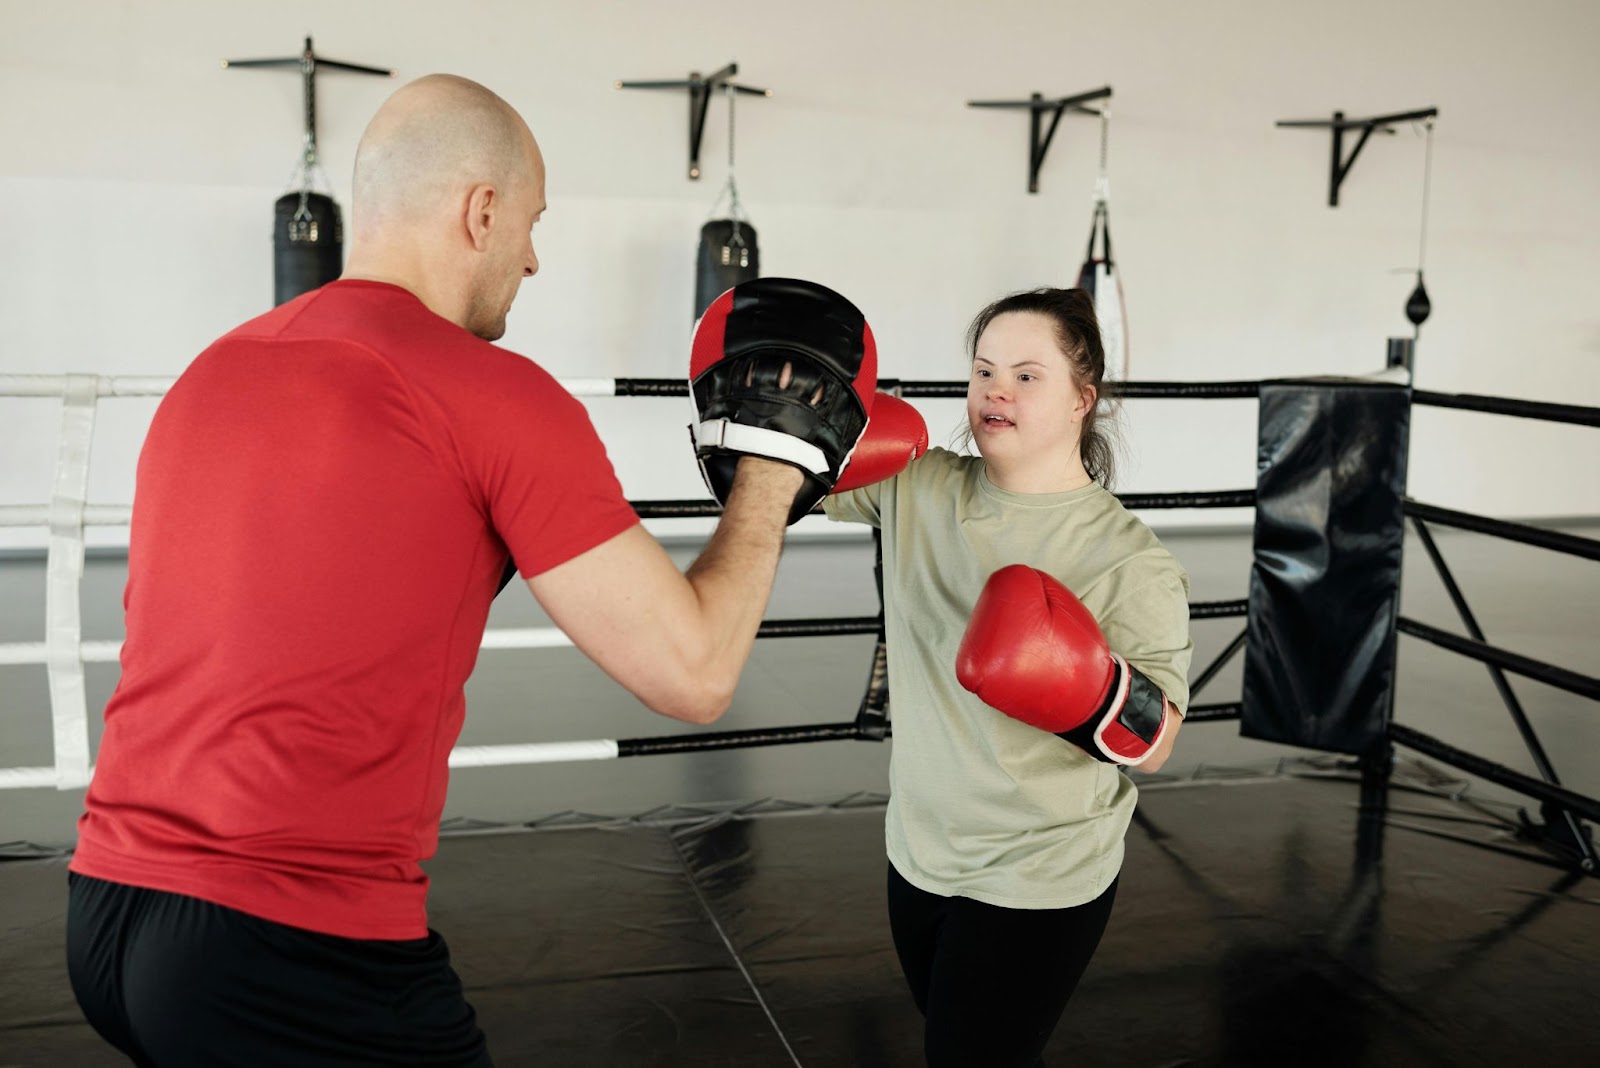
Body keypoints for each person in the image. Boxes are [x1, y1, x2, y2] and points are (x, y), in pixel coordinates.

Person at [65, 74, 885, 1066]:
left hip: (103, 911)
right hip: (286, 942)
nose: (533, 259)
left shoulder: (213, 372)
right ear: (481, 210)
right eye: (532, 224)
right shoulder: (488, 394)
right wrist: (772, 472)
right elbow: (695, 670)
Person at [824, 287, 1194, 1067]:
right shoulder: (917, 485)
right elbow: (791, 478)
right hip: (918, 853)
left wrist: (1080, 682)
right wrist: (798, 398)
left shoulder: (1129, 560)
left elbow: (1155, 744)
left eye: (1028, 375)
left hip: (1040, 874)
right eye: (984, 370)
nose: (996, 389)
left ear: (1080, 402)